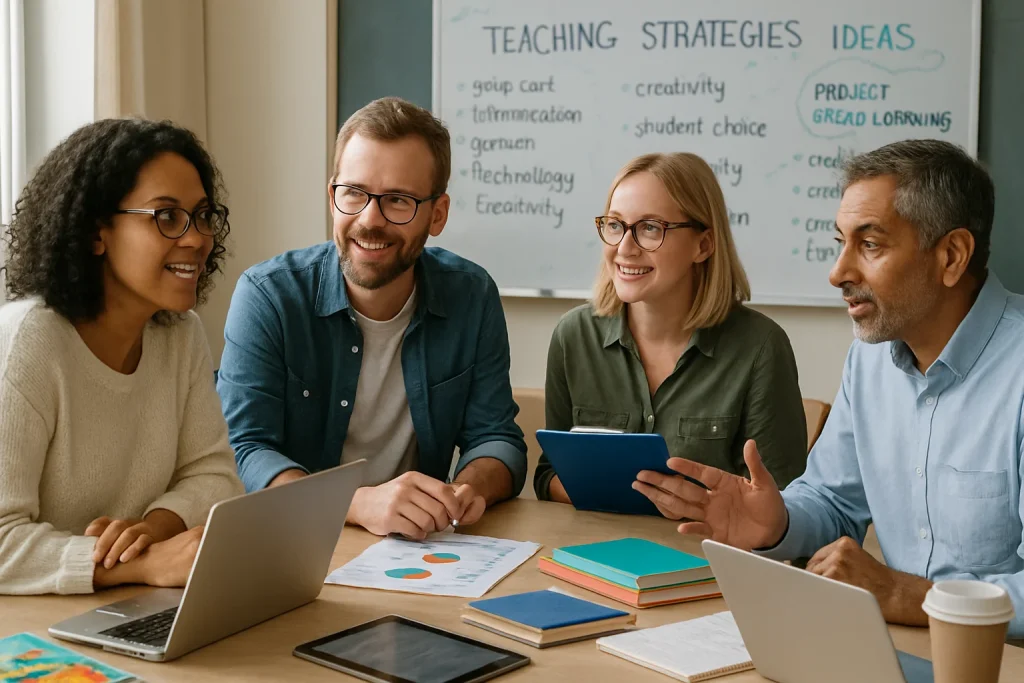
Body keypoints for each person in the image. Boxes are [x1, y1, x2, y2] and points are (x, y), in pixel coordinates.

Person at [660, 139, 1024, 638]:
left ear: (951, 256)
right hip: (897, 642)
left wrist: (905, 595)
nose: (838, 273)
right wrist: (776, 523)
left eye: (870, 245)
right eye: (841, 242)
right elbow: (834, 501)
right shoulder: (870, 358)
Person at [217, 97, 526, 540]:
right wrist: (354, 504)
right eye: (354, 193)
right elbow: (243, 450)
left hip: (420, 546)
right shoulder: (268, 296)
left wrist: (466, 489)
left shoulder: (471, 295)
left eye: (398, 200)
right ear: (332, 197)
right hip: (300, 541)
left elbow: (497, 438)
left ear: (437, 214)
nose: (369, 219)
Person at [0, 118, 244, 595]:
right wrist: (138, 565)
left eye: (202, 215)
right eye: (166, 216)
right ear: (97, 232)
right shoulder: (28, 343)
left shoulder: (180, 334)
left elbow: (215, 477)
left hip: (122, 605)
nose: (197, 238)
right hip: (28, 624)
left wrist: (151, 530)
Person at [534, 152, 808, 512]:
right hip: (593, 544)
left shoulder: (761, 348)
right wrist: (626, 496)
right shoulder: (573, 336)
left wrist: (699, 506)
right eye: (615, 225)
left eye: (650, 228)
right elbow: (549, 474)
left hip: (705, 546)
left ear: (703, 245)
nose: (624, 248)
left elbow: (783, 504)